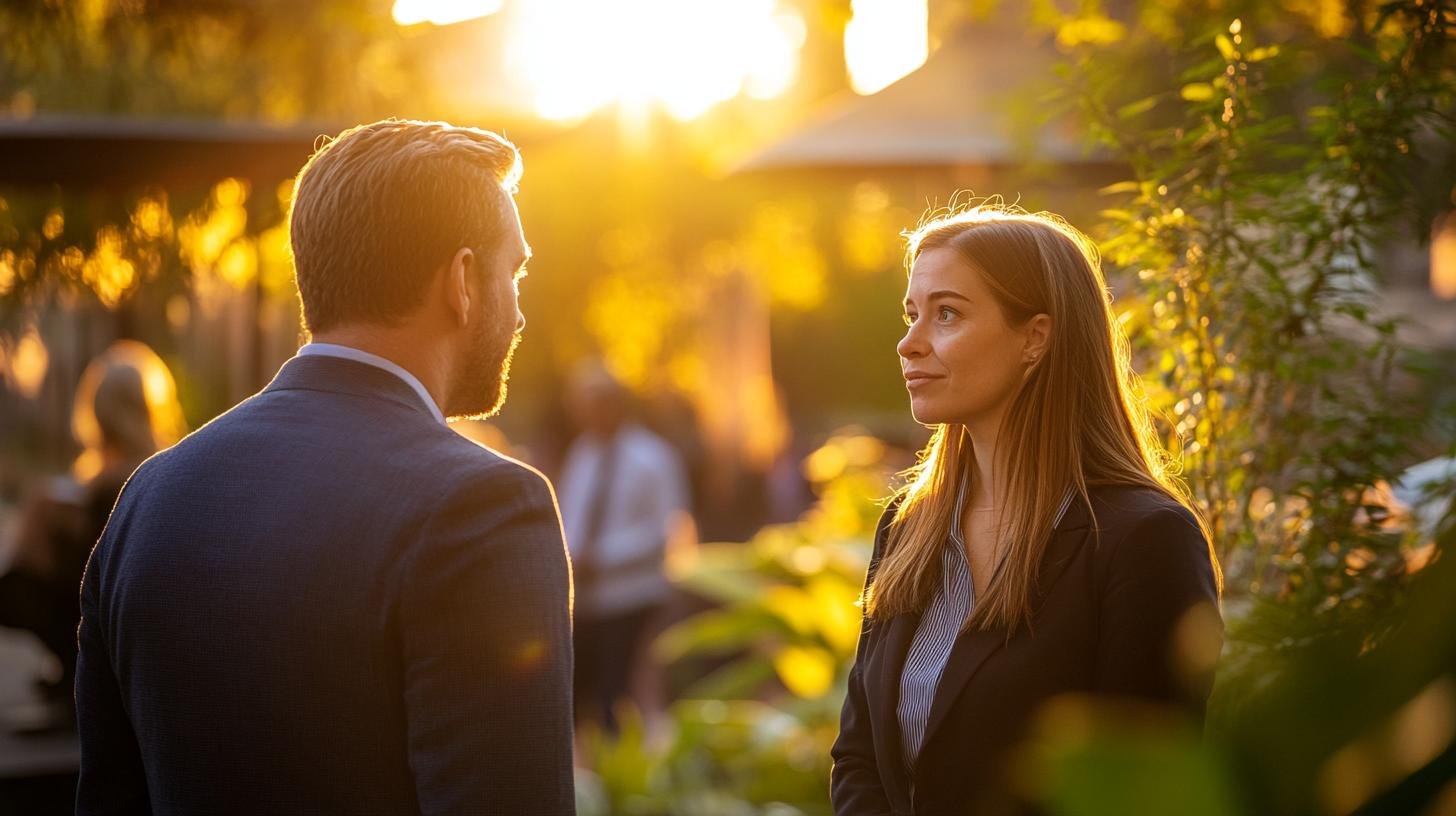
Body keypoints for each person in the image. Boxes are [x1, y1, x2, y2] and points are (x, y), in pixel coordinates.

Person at [74, 120, 575, 815]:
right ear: (462, 280)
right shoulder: (482, 506)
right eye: (513, 271)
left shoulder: (151, 498)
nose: (519, 312)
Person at [831, 205, 1223, 815]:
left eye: (948, 314)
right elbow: (858, 757)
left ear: (1035, 337)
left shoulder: (1143, 540)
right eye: (913, 314)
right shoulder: (907, 529)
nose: (910, 344)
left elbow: (1139, 793)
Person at [0, 340, 184, 724]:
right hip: (153, 615)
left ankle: (78, 668)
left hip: (113, 605)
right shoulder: (172, 467)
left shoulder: (110, 483)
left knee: (24, 579)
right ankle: (77, 671)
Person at [558, 362, 690, 735]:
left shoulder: (653, 457)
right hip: (585, 596)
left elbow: (665, 528)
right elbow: (572, 515)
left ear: (617, 403)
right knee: (578, 692)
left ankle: (623, 771)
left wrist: (600, 559)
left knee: (617, 691)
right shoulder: (583, 452)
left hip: (633, 594)